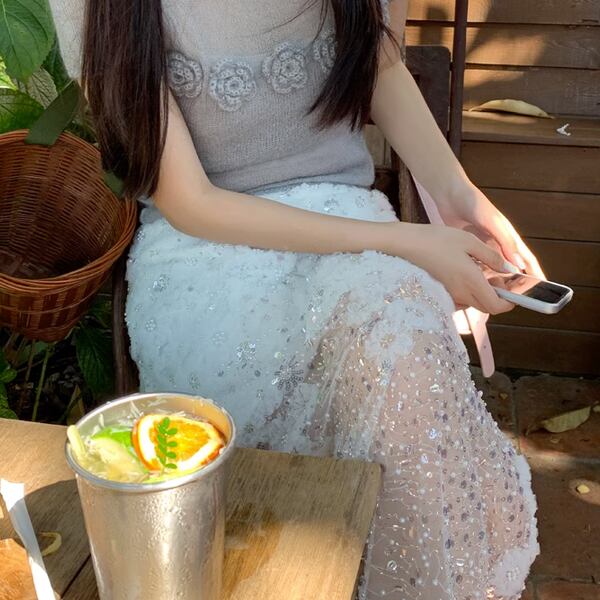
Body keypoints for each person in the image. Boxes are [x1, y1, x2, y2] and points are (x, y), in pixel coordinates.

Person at [48, 0, 541, 597]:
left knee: (403, 354)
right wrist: (407, 242)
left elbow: (381, 67)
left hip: (351, 222)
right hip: (204, 251)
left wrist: (460, 197)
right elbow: (192, 204)